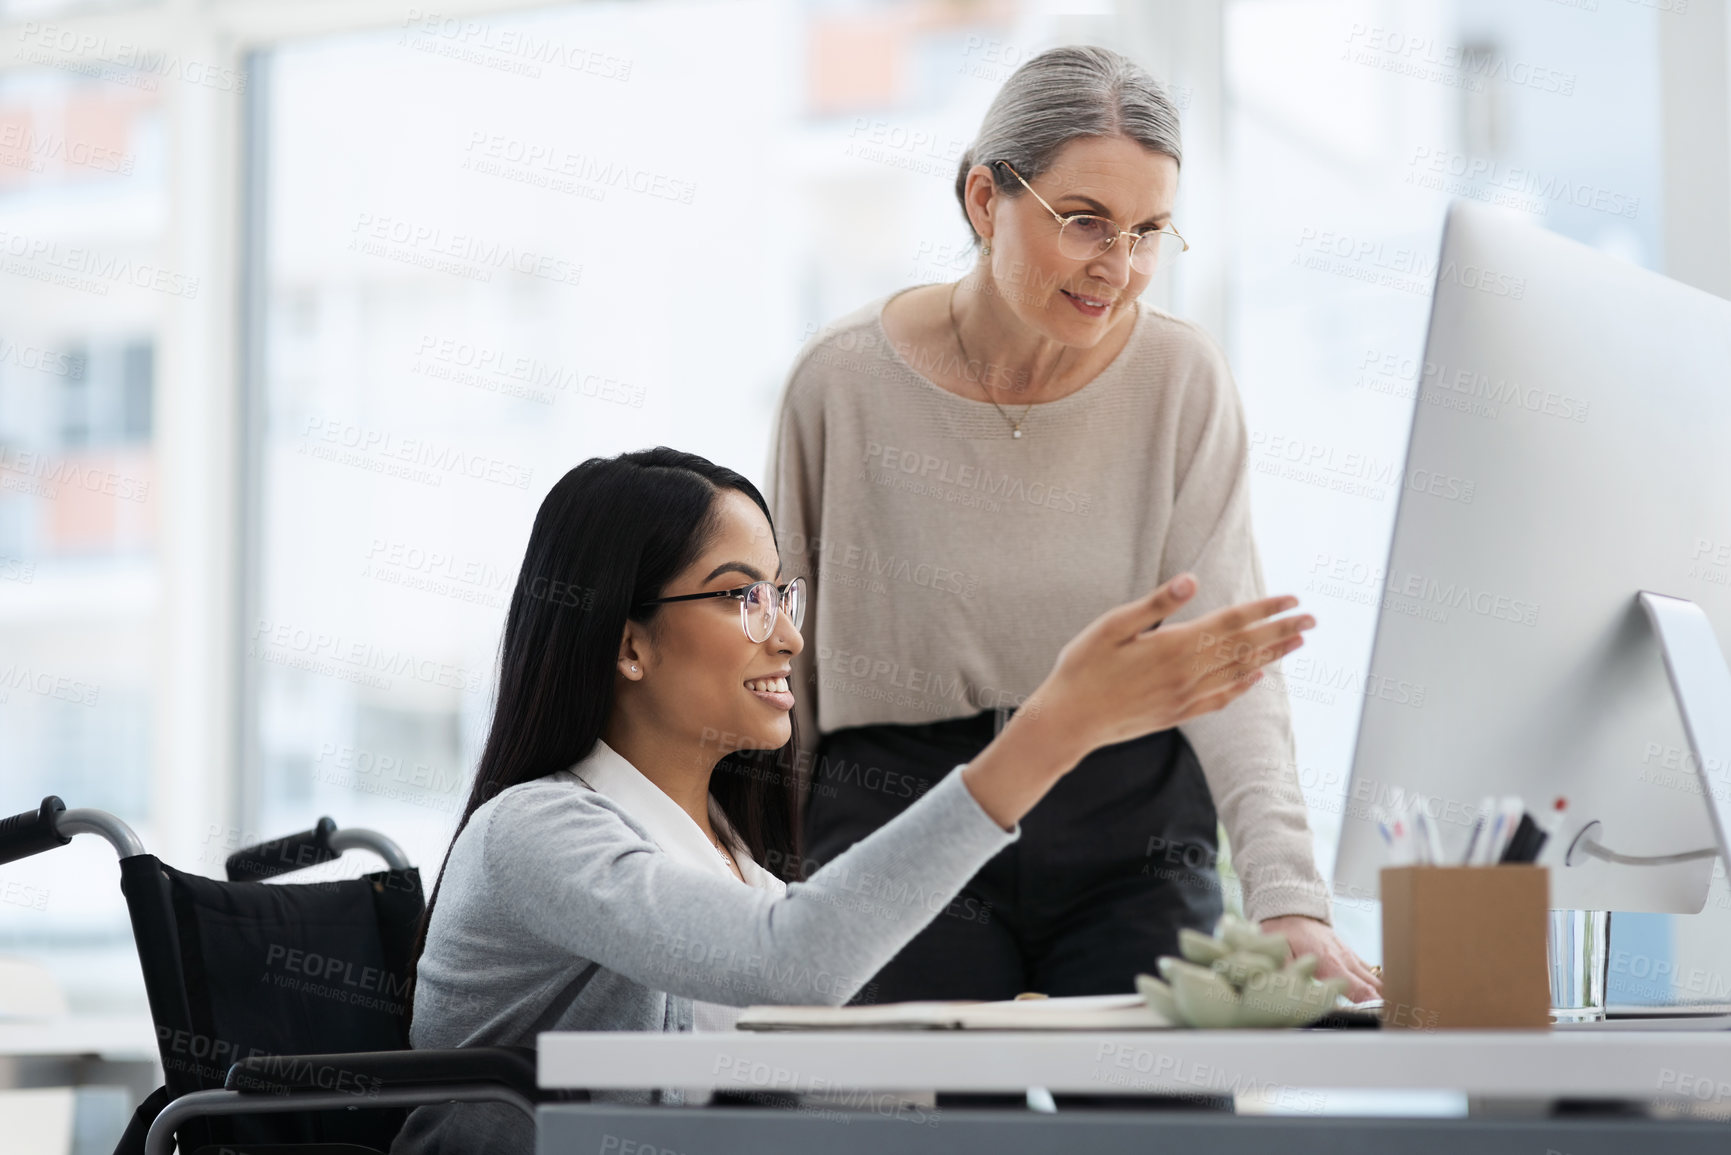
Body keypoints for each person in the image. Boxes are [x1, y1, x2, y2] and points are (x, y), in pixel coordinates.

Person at [393, 446, 1311, 1153]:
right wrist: (1051, 733)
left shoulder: (724, 856)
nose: (788, 633)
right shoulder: (533, 832)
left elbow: (807, 1080)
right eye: (740, 596)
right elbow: (792, 962)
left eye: (781, 593)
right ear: (628, 644)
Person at [765, 44, 1381, 1004]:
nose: (1119, 268)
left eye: (1147, 231)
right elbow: (780, 656)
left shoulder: (1182, 381)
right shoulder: (839, 381)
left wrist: (1286, 896)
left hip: (1127, 819)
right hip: (897, 813)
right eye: (1086, 223)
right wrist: (765, 878)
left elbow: (1227, 669)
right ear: (982, 201)